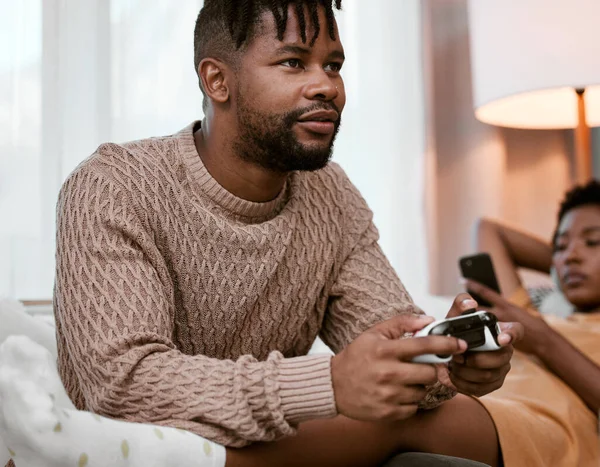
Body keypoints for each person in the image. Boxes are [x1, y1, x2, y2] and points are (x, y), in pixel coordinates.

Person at [0, 2, 523, 467]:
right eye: (293, 61)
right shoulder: (115, 185)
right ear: (216, 80)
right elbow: (121, 387)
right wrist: (326, 385)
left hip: (278, 436)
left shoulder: (331, 196)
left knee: (462, 425)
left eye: (334, 65)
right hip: (156, 453)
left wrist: (448, 358)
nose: (326, 85)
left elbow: (387, 346)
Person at [466, 180, 600, 466]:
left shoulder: (533, 326)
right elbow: (489, 229)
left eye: (593, 242)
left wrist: (542, 339)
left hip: (545, 430)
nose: (570, 257)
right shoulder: (530, 316)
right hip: (482, 406)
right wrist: (561, 266)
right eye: (560, 247)